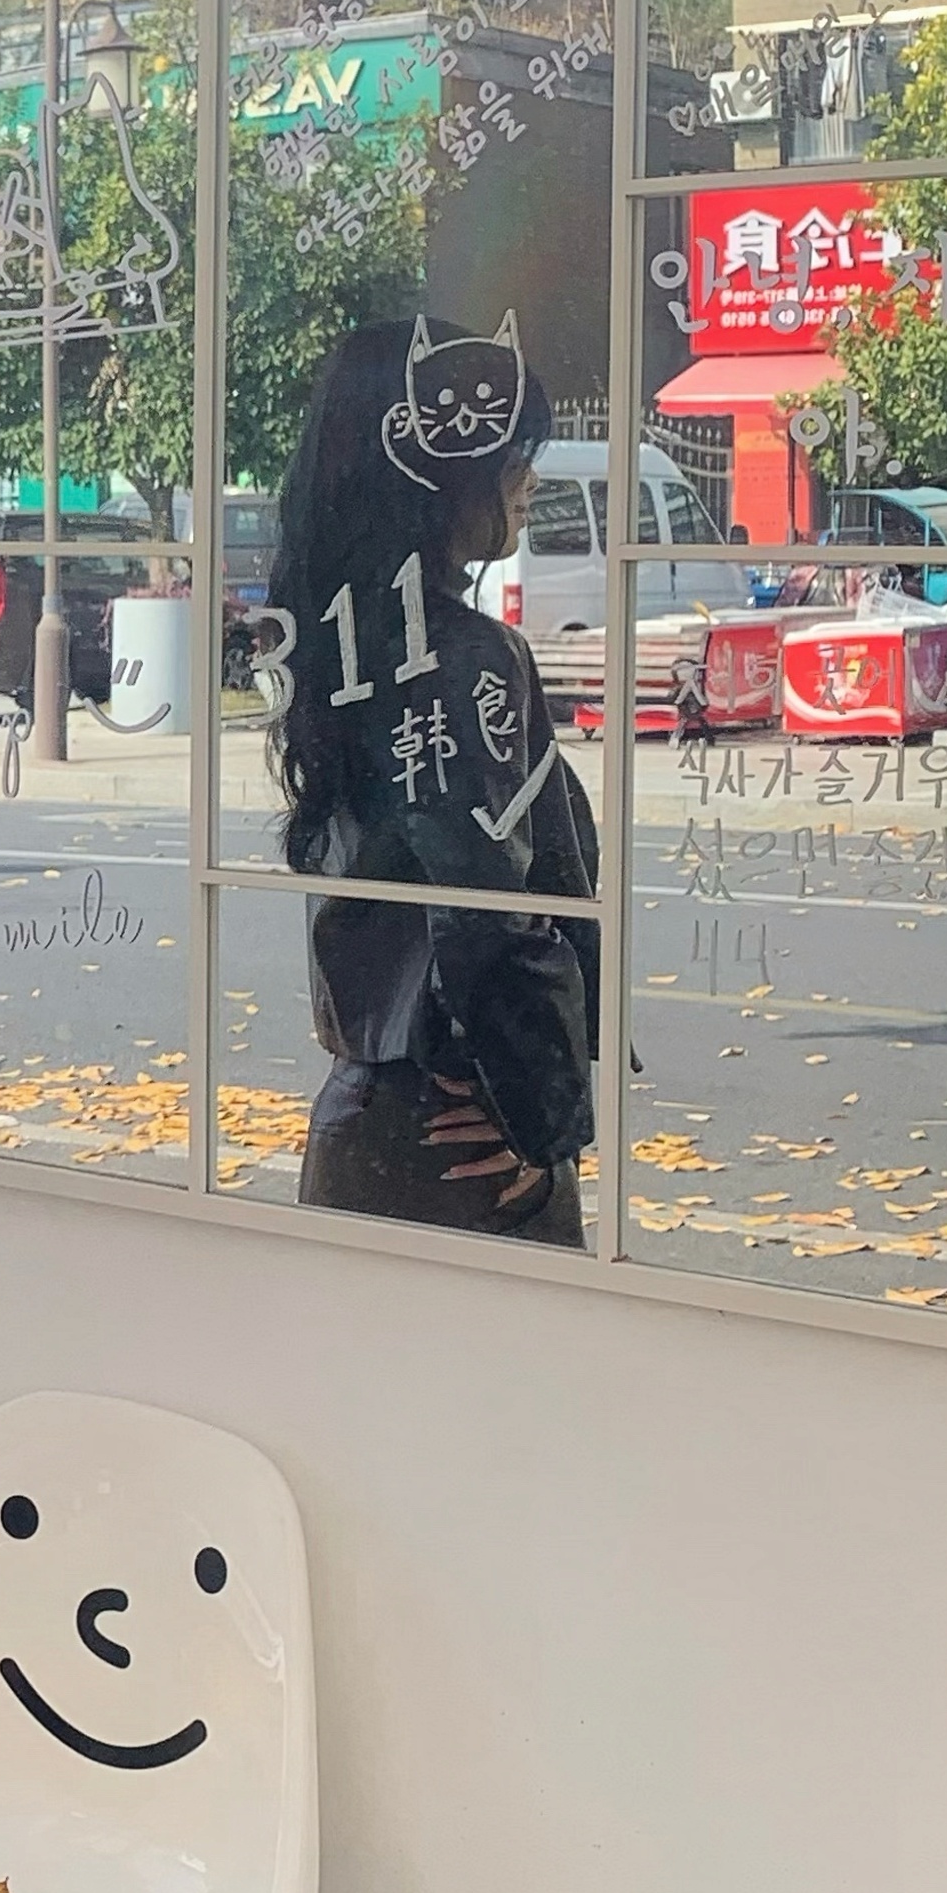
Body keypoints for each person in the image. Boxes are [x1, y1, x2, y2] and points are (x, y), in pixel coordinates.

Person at [266, 315, 599, 1239]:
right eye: (510, 456)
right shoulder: (465, 656)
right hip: (463, 1142)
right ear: (432, 477)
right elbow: (487, 910)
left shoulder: (344, 646)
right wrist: (542, 1116)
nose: (529, 479)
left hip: (368, 1115)